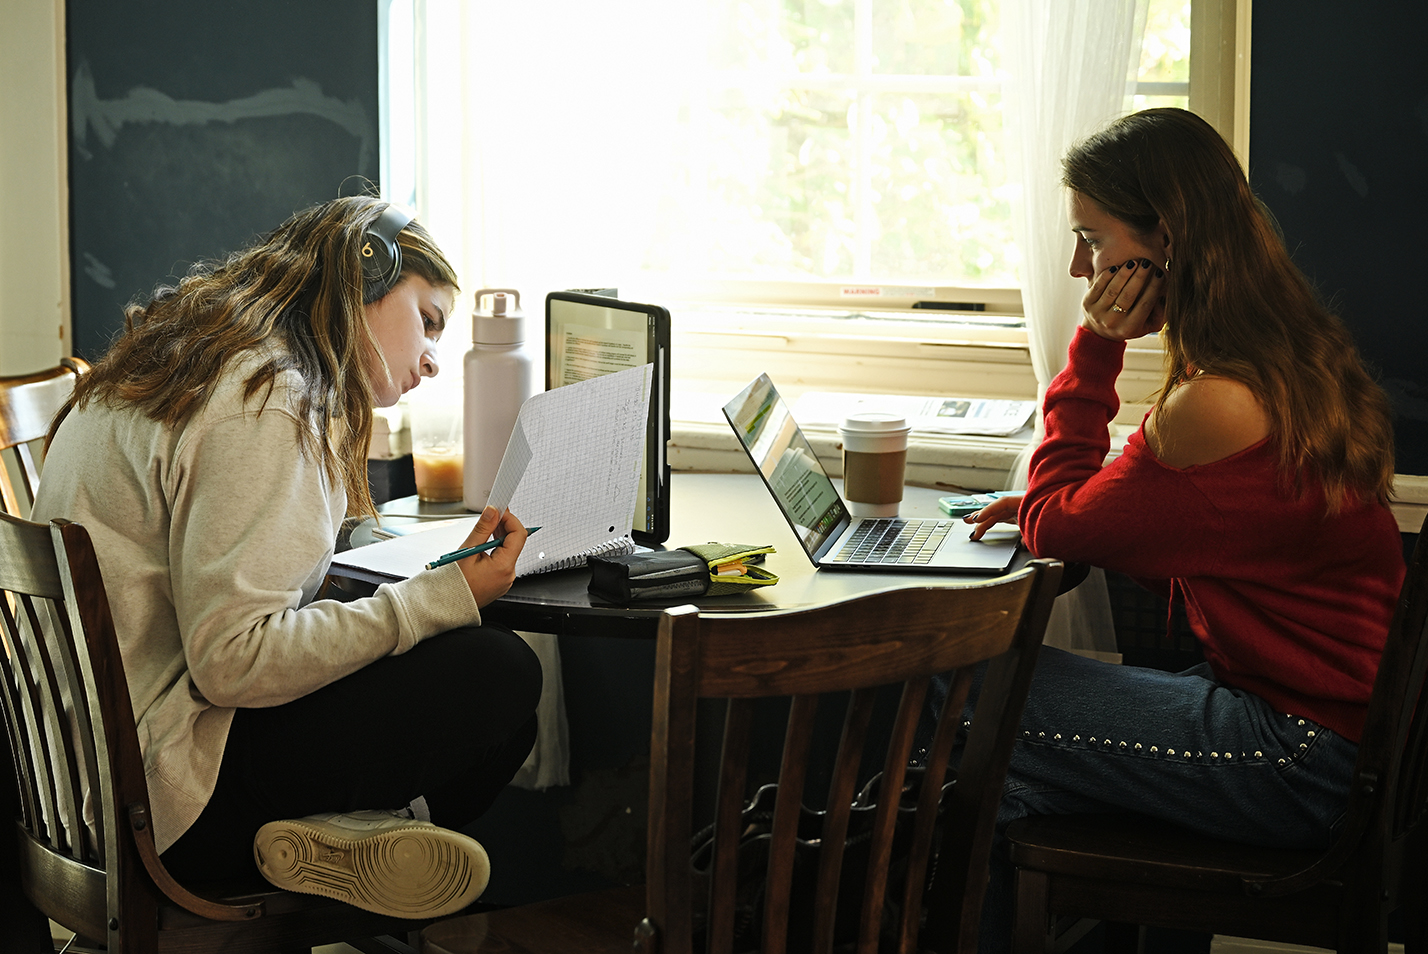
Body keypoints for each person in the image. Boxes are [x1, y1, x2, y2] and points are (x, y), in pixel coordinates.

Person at [953, 108, 1404, 950]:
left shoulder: (1218, 403)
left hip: (1303, 757)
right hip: (1344, 738)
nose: (1080, 265)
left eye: (1092, 237)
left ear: (1163, 238)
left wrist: (1093, 347)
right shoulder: (1281, 353)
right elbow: (1156, 515)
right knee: (1006, 777)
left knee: (960, 690)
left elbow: (1055, 527)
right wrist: (1078, 512)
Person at [32, 196, 543, 920]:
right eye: (427, 320)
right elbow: (232, 659)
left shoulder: (202, 360)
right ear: (364, 278)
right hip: (164, 801)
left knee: (475, 666)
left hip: (81, 780)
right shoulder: (270, 398)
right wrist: (438, 598)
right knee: (499, 673)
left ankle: (340, 836)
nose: (432, 359)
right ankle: (342, 841)